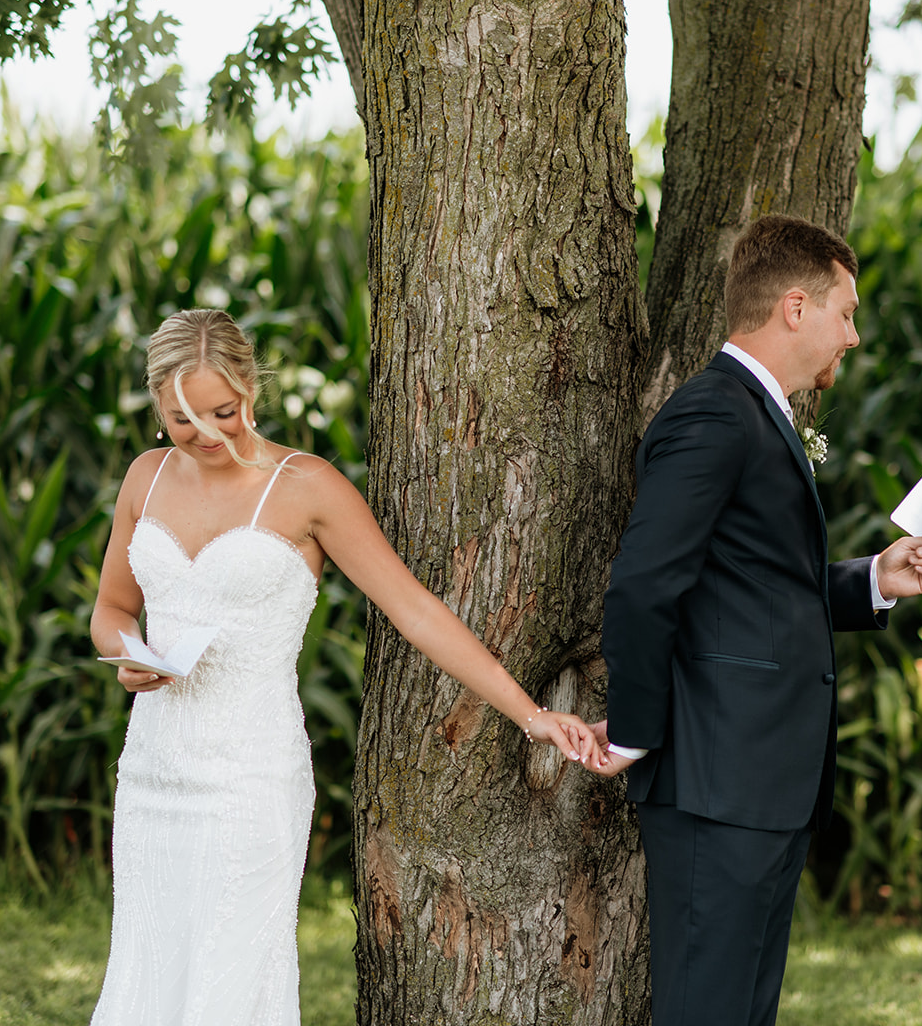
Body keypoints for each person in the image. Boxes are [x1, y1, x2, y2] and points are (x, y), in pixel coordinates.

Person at [88, 308, 602, 1025]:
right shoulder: (145, 478)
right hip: (152, 772)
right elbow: (111, 608)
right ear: (156, 407)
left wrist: (532, 715)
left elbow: (415, 611)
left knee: (229, 984)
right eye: (181, 420)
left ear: (250, 389)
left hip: (250, 780)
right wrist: (128, 654)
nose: (205, 435)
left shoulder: (307, 488)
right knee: (147, 969)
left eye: (222, 413)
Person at [590, 216, 922, 1025]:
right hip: (716, 783)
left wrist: (874, 582)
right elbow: (644, 585)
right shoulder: (714, 414)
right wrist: (642, 732)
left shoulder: (763, 414)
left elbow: (754, 590)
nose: (852, 338)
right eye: (846, 313)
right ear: (795, 307)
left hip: (763, 785)